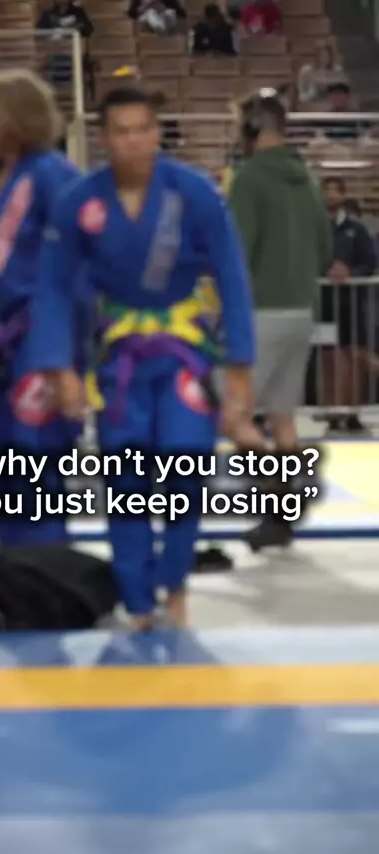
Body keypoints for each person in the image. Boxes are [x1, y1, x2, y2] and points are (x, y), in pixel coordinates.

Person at [27, 86, 259, 631]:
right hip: (120, 358)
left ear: (157, 133)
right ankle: (136, 600)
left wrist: (240, 370)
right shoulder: (80, 201)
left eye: (142, 129)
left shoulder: (194, 193)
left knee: (185, 465)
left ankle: (173, 582)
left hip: (182, 353)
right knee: (126, 479)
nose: (133, 141)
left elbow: (232, 276)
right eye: (121, 131)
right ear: (103, 138)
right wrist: (61, 370)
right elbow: (53, 287)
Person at [0, 68, 89, 547]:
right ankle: (12, 567)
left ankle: (44, 567)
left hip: (42, 345)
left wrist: (63, 354)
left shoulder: (56, 177)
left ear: (17, 119)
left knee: (37, 460)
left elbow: (80, 267)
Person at [230, 92, 331, 551]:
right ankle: (284, 512)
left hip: (261, 310)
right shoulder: (307, 178)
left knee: (231, 414)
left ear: (253, 127)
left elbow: (236, 251)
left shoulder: (251, 178)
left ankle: (279, 498)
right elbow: (325, 248)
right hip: (301, 308)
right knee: (282, 415)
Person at [320, 176, 377, 434]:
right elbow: (308, 260)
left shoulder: (357, 229)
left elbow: (369, 263)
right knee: (329, 358)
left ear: (343, 196)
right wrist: (327, 271)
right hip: (324, 303)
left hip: (352, 303)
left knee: (354, 357)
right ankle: (333, 412)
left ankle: (352, 413)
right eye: (327, 191)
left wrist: (350, 274)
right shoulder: (315, 229)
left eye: (335, 191)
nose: (331, 196)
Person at [297, 41, 347, 107]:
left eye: (326, 55)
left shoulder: (337, 71)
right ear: (315, 56)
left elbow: (344, 93)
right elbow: (301, 97)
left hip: (333, 107)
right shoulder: (306, 71)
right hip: (312, 107)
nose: (323, 58)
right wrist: (313, 92)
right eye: (320, 55)